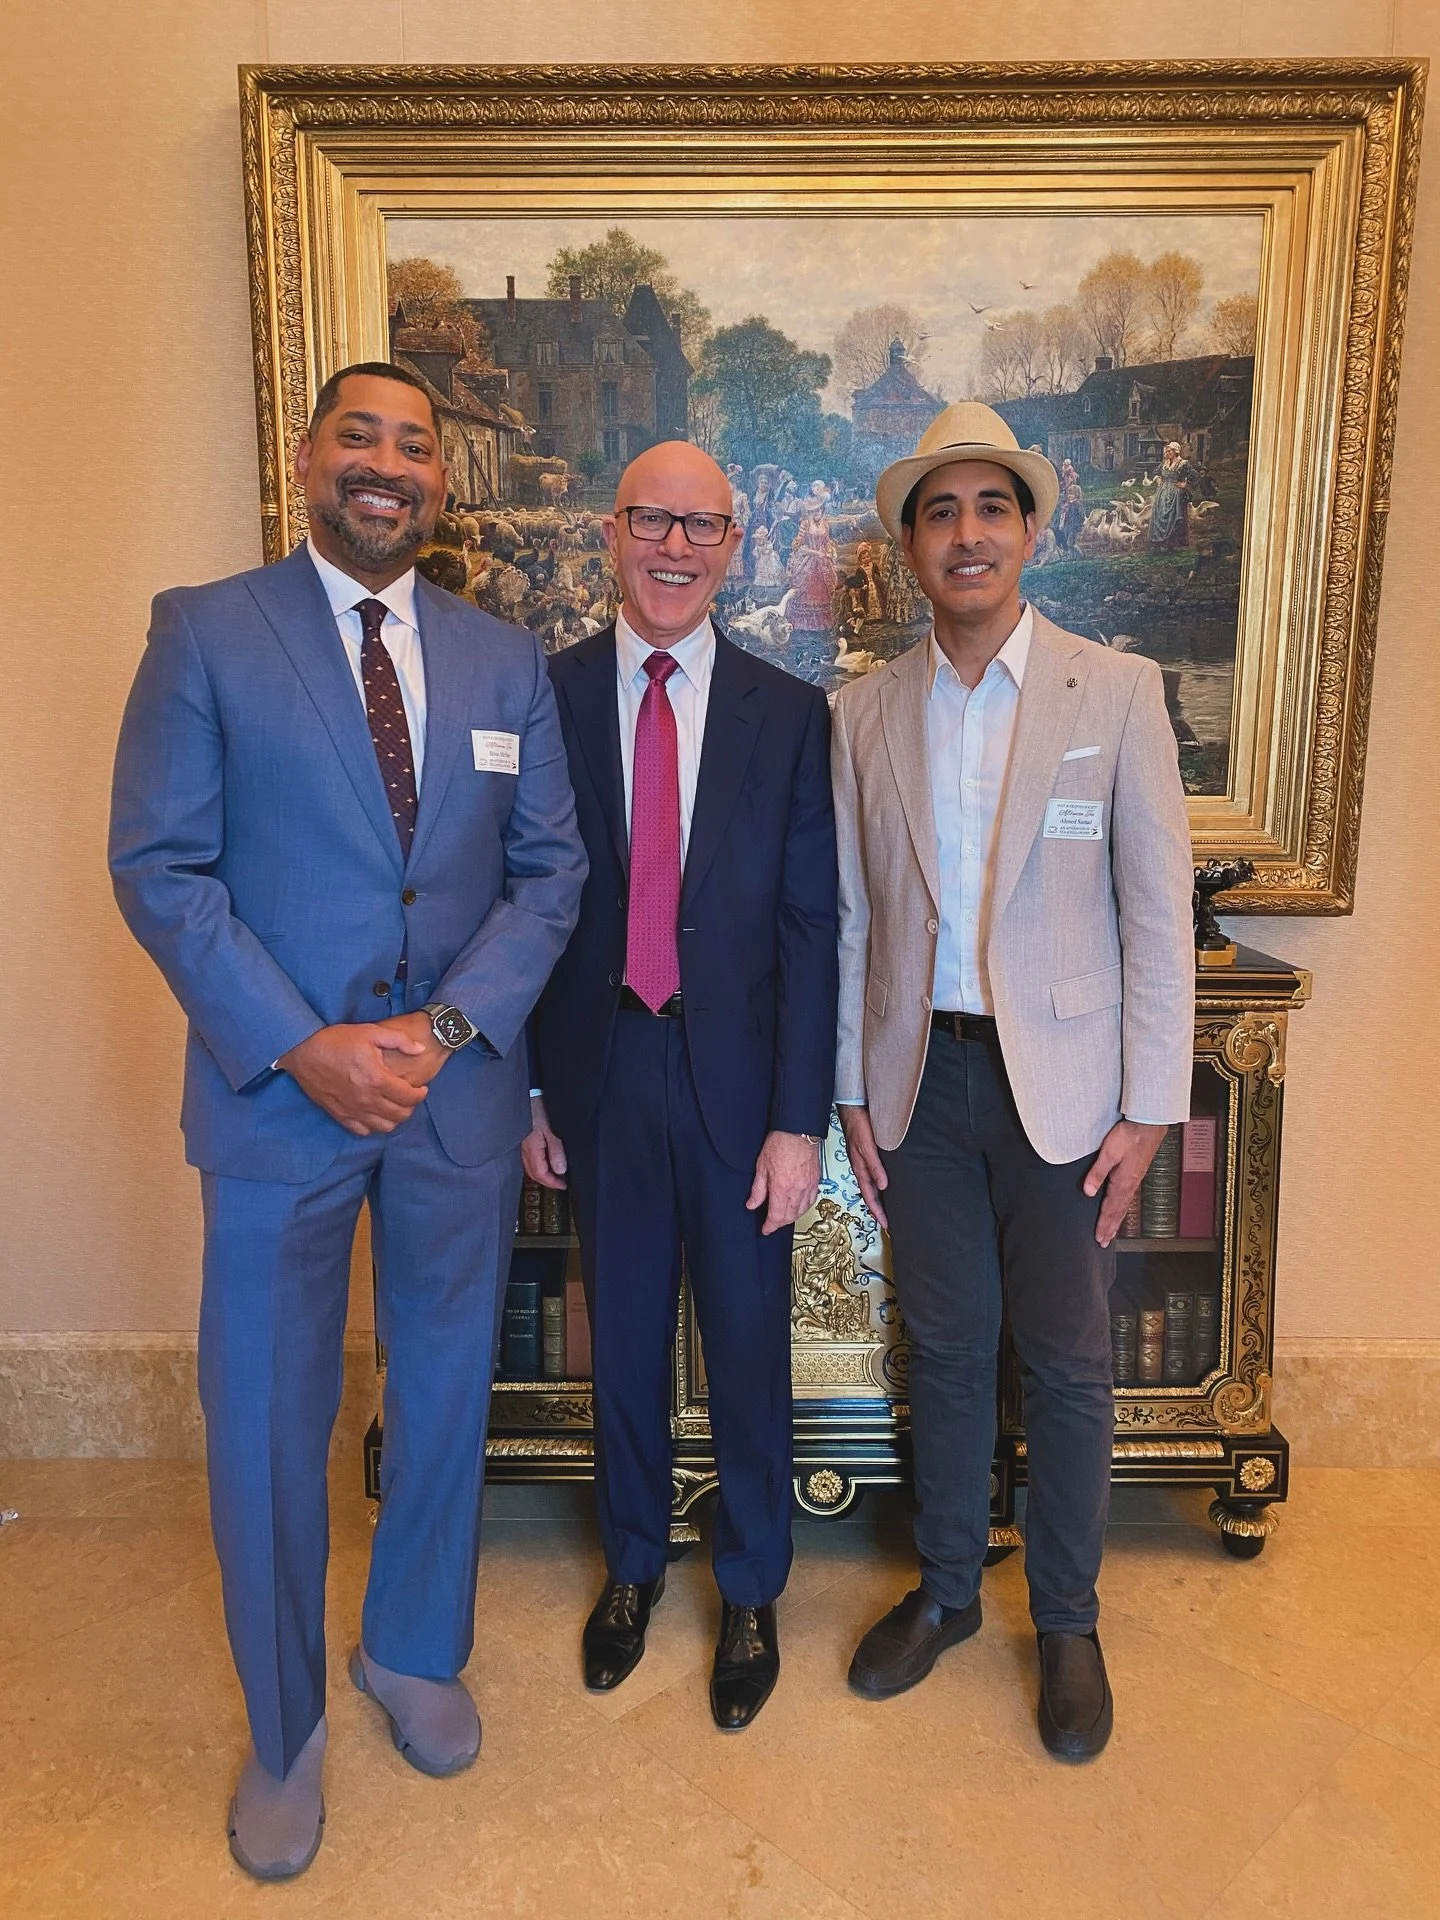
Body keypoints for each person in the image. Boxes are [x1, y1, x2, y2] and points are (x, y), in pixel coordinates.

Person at [108, 362, 586, 1878]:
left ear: (442, 479)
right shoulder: (206, 631)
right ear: (309, 458)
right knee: (266, 1415)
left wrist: (440, 1034)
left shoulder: (504, 661)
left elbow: (551, 875)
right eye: (359, 435)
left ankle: (412, 1649)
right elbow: (160, 868)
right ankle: (286, 1728)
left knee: (442, 1385)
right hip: (278, 1101)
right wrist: (308, 1048)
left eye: (415, 444)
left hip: (452, 1098)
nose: (388, 463)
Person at [830, 402, 1194, 1761]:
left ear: (1031, 532)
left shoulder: (1120, 691)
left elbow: (1156, 910)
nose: (968, 533)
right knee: (943, 1350)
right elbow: (854, 919)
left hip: (1070, 1095)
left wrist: (1151, 1107)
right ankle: (944, 1591)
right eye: (941, 512)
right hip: (920, 1085)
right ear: (911, 546)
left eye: (992, 507)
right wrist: (852, 1089)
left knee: (1067, 1359)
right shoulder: (862, 713)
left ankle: (1069, 1620)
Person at [524, 441, 838, 1732]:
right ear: (611, 533)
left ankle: (752, 1586)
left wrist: (798, 1122)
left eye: (701, 525)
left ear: (733, 547)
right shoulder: (547, 695)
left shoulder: (789, 713)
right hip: (600, 1071)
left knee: (750, 1344)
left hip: (739, 1085)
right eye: (651, 520)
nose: (674, 546)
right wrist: (533, 1095)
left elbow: (813, 927)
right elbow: (521, 900)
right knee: (625, 1341)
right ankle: (636, 1564)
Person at [1148, 441, 1204, 550]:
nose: (1168, 453)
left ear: (1176, 451)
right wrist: (1158, 478)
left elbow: (1195, 476)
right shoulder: (1164, 463)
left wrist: (1185, 484)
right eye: (1167, 451)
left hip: (1176, 495)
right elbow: (1155, 472)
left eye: (1170, 451)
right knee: (1160, 516)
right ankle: (1160, 542)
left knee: (1173, 517)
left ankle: (1172, 543)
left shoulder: (1183, 463)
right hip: (1162, 494)